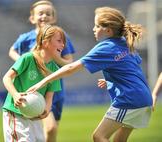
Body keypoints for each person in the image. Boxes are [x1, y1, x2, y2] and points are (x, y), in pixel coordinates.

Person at [27, 7, 153, 142]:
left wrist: (44, 81)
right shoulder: (124, 42)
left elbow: (71, 67)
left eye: (97, 26)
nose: (93, 29)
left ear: (108, 30)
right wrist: (113, 81)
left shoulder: (106, 47)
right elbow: (131, 68)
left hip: (130, 99)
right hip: (144, 97)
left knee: (99, 136)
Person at [8, 1, 75, 142]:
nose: (44, 16)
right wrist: (23, 63)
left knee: (51, 131)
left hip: (54, 89)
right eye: (40, 13)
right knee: (48, 128)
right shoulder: (25, 38)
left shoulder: (61, 37)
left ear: (54, 18)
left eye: (48, 14)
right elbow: (12, 51)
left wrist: (56, 57)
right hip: (32, 91)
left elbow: (69, 62)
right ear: (32, 18)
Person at [2, 25, 66, 142]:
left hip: (34, 116)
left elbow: (49, 95)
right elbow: (7, 78)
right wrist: (15, 95)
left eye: (63, 42)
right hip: (16, 113)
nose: (63, 45)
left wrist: (46, 109)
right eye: (59, 41)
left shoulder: (55, 70)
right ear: (46, 42)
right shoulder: (27, 58)